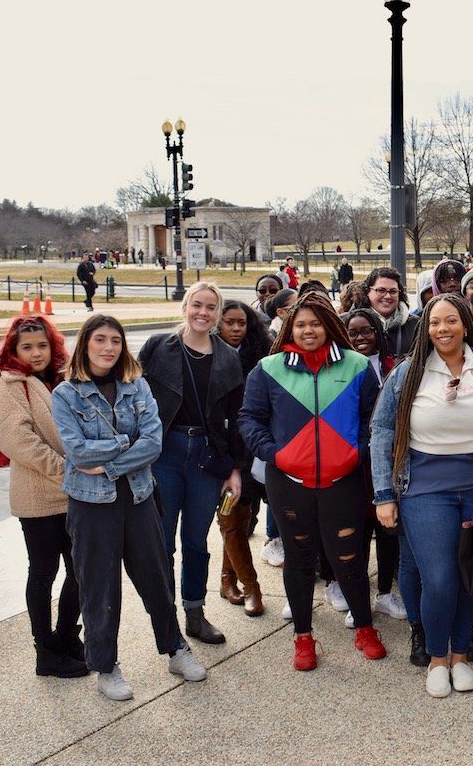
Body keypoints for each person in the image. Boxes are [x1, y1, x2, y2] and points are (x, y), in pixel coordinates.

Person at [371, 295, 473, 697]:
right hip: (424, 486)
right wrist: (383, 494)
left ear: (465, 325)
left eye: (451, 321)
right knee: (439, 578)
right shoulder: (408, 373)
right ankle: (437, 657)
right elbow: (382, 432)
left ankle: (460, 655)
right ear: (426, 327)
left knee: (471, 575)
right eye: (435, 322)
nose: (443, 329)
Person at [52, 315, 206, 701]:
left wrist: (111, 459)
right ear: (85, 344)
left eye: (115, 341)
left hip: (138, 496)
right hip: (90, 504)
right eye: (100, 340)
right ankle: (105, 666)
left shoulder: (136, 386)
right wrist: (127, 443)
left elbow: (153, 443)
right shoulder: (66, 394)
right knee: (100, 587)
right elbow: (77, 451)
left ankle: (175, 649)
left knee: (155, 578)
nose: (108, 348)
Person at [238, 292, 386, 670]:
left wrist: (358, 452)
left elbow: (374, 416)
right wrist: (275, 453)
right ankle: (303, 637)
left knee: (349, 557)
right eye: (301, 324)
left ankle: (365, 627)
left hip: (344, 480)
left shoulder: (354, 365)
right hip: (288, 480)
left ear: (329, 326)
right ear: (290, 327)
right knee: (299, 559)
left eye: (316, 323)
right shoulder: (269, 368)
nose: (309, 330)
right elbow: (249, 418)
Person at [138, 282, 247, 645]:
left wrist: (234, 469)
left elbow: (236, 417)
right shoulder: (157, 348)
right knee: (162, 541)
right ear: (185, 306)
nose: (203, 312)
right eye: (197, 305)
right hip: (164, 452)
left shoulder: (228, 356)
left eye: (211, 307)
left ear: (217, 314)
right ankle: (165, 615)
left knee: (197, 541)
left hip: (206, 455)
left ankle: (195, 613)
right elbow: (132, 396)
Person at [0, 315, 86, 678]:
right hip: (38, 497)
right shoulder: (11, 385)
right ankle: (45, 651)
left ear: (53, 345)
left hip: (73, 495)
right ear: (13, 350)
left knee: (80, 570)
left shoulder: (63, 376)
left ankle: (65, 637)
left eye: (42, 345)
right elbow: (17, 440)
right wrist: (67, 469)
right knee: (44, 572)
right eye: (26, 347)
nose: (35, 353)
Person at [341, 307, 405, 622]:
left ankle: (384, 593)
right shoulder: (337, 368)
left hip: (387, 460)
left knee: (388, 529)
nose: (361, 338)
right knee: (359, 532)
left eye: (367, 330)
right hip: (352, 459)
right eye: (353, 332)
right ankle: (357, 599)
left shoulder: (396, 367)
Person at [213, 300, 271, 618]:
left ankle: (226, 580)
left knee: (238, 519)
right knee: (228, 519)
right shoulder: (206, 356)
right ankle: (252, 587)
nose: (236, 329)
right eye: (229, 322)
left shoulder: (257, 358)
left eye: (242, 323)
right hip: (217, 456)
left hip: (247, 455)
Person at [360, 266, 420, 358]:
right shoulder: (350, 324)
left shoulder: (416, 325)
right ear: (368, 291)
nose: (388, 296)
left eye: (393, 291)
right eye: (381, 290)